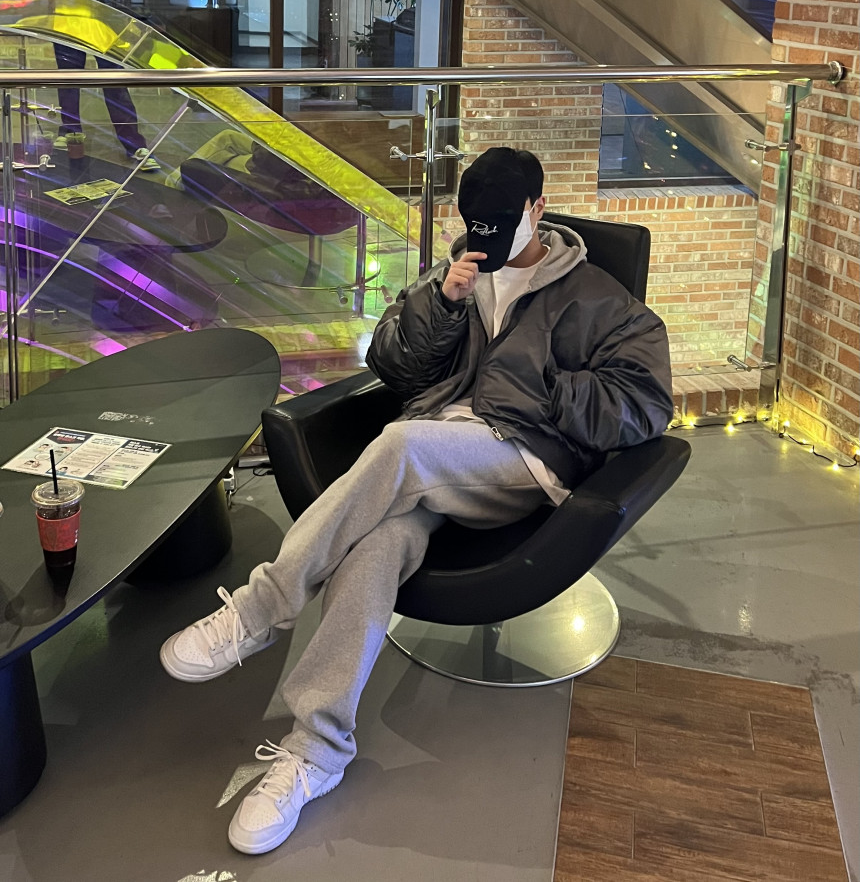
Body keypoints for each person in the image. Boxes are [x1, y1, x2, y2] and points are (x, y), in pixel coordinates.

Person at [159, 146, 675, 855]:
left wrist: (546, 385)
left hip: (522, 460)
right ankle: (316, 751)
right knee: (378, 542)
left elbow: (645, 404)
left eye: (501, 226)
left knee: (403, 446)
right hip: (434, 458)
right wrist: (443, 304)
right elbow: (390, 363)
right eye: (475, 227)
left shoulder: (596, 297)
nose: (485, 242)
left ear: (537, 209)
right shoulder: (455, 271)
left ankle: (262, 607)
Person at [52, 43, 159, 171]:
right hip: (71, 30)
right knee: (68, 78)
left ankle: (134, 144)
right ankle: (71, 132)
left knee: (114, 80)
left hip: (102, 32)